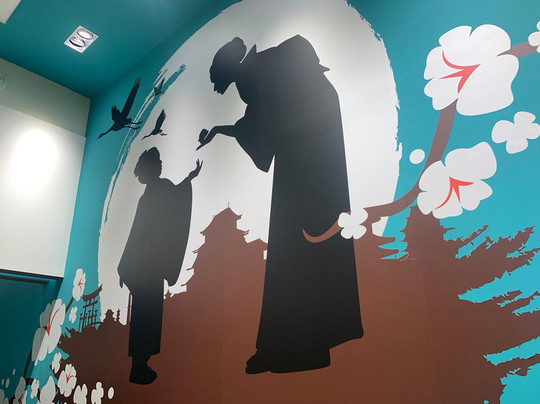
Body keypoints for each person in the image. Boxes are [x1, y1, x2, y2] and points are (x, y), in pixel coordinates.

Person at [198, 35, 363, 373]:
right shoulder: (261, 71)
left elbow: (260, 128)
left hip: (309, 157)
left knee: (298, 249)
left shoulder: (261, 73)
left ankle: (297, 347)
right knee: (296, 250)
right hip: (307, 155)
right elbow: (260, 125)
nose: (218, 87)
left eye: (218, 79)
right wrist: (221, 128)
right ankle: (288, 345)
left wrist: (223, 129)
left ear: (228, 70)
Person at [118, 147, 202, 384]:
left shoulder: (155, 192)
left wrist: (125, 265)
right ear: (152, 168)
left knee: (146, 315)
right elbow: (136, 233)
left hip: (147, 268)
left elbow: (136, 234)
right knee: (146, 315)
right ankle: (139, 366)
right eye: (158, 163)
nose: (161, 165)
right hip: (149, 268)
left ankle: (140, 365)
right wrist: (126, 266)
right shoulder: (151, 195)